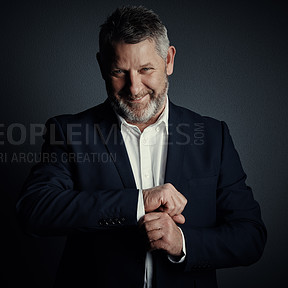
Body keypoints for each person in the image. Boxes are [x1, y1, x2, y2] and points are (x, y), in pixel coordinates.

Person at [17, 5, 266, 288]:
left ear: (169, 60)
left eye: (146, 69)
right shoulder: (68, 132)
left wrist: (181, 243)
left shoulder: (213, 135)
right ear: (101, 66)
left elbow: (251, 237)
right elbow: (34, 211)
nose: (134, 88)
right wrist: (137, 203)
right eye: (119, 72)